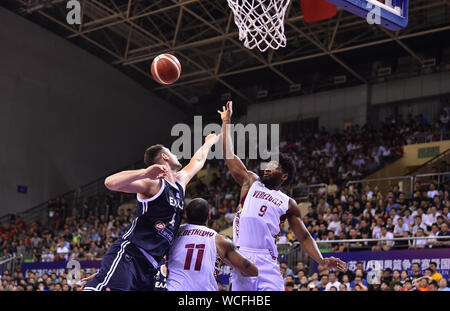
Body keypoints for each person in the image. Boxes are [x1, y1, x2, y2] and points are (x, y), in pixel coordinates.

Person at [218, 101, 346, 291]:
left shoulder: (288, 203)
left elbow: (304, 236)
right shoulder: (251, 182)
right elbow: (229, 156)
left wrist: (321, 260)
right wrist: (226, 122)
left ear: (284, 176)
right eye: (267, 166)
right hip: (242, 256)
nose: (267, 169)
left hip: (267, 261)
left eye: (273, 167)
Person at [81, 134, 220, 291]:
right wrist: (144, 173)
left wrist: (209, 143)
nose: (177, 155)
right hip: (132, 254)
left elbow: (198, 161)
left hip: (150, 267)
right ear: (165, 157)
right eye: (172, 152)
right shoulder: (154, 183)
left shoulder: (180, 182)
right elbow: (110, 183)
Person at [166, 198, 258, 291]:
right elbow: (252, 270)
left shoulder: (172, 234)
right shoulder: (219, 240)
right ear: (209, 216)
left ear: (186, 215)